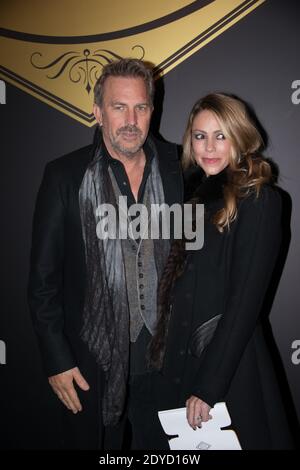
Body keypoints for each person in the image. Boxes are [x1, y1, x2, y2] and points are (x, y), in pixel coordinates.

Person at [28, 58, 183, 449]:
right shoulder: (64, 176)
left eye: (141, 107)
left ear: (152, 111)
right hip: (94, 364)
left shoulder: (180, 167)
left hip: (167, 363)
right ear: (98, 112)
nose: (131, 119)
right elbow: (43, 281)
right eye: (119, 107)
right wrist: (56, 359)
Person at [149, 93, 294, 449]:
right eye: (199, 136)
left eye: (221, 135)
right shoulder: (190, 201)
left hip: (227, 369)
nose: (209, 147)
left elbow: (244, 304)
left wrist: (208, 386)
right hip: (180, 365)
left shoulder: (260, 201)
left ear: (240, 137)